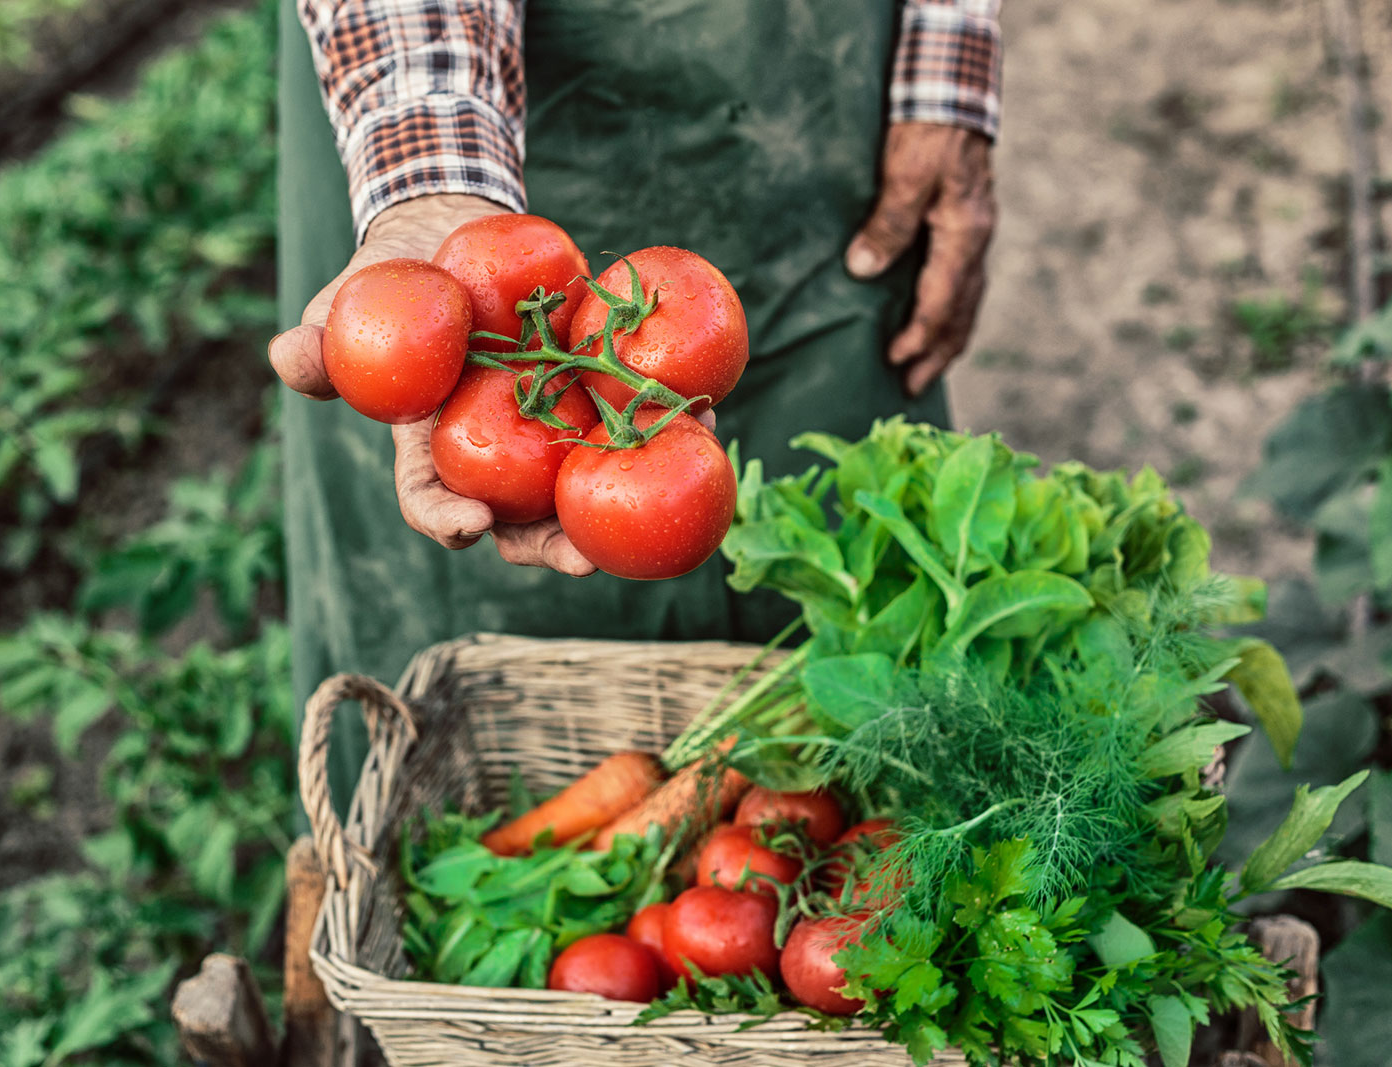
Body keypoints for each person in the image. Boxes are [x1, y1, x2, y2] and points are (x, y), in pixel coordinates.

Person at [272, 0, 1002, 802]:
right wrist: (433, 192)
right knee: (451, 729)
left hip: (813, 97)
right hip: (435, 72)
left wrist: (947, 59)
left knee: (854, 576)